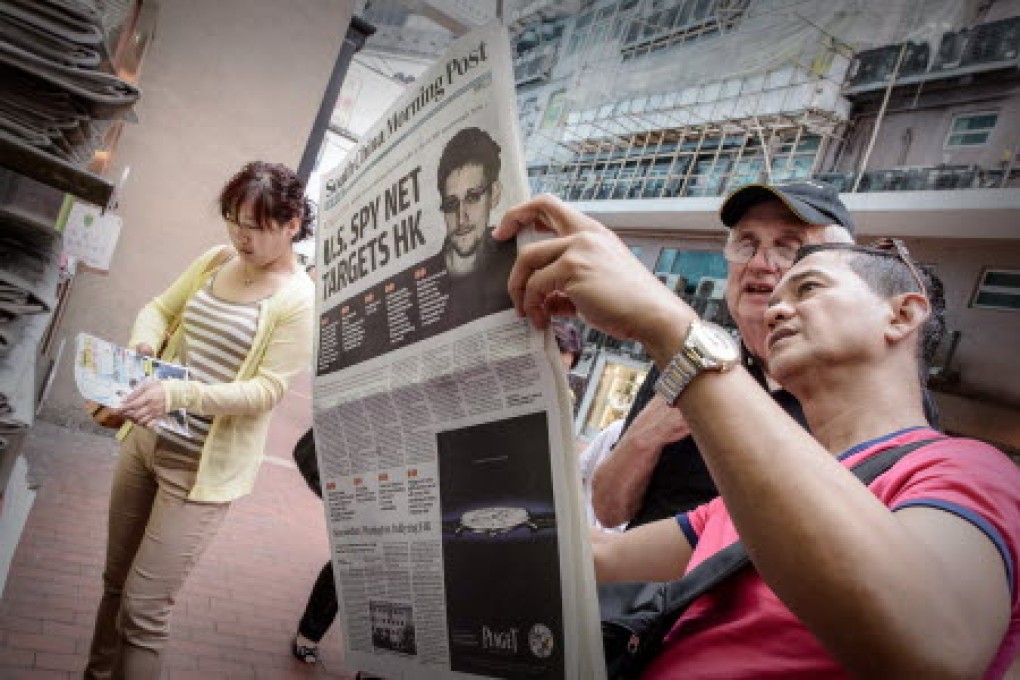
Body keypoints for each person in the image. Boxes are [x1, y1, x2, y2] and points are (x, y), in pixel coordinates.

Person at [494, 194, 1020, 677]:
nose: (778, 308)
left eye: (808, 285)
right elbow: (600, 555)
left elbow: (938, 645)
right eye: (775, 296)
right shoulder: (736, 507)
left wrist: (670, 327)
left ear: (902, 313)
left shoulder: (967, 469)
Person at [85, 161, 315, 679]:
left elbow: (266, 391)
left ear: (292, 222)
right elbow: (160, 308)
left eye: (254, 226)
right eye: (232, 220)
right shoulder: (216, 259)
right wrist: (144, 345)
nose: (240, 236)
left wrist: (178, 393)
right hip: (143, 444)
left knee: (144, 613)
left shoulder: (298, 300)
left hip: (197, 474)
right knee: (114, 583)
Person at [592, 179, 855, 529]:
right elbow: (608, 510)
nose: (760, 263)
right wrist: (648, 434)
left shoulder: (859, 386)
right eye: (746, 243)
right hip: (642, 581)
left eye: (788, 246)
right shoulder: (686, 361)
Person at [435, 126, 516, 325]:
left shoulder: (514, 256)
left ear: (494, 194)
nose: (461, 218)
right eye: (451, 203)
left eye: (472, 197)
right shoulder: (422, 280)